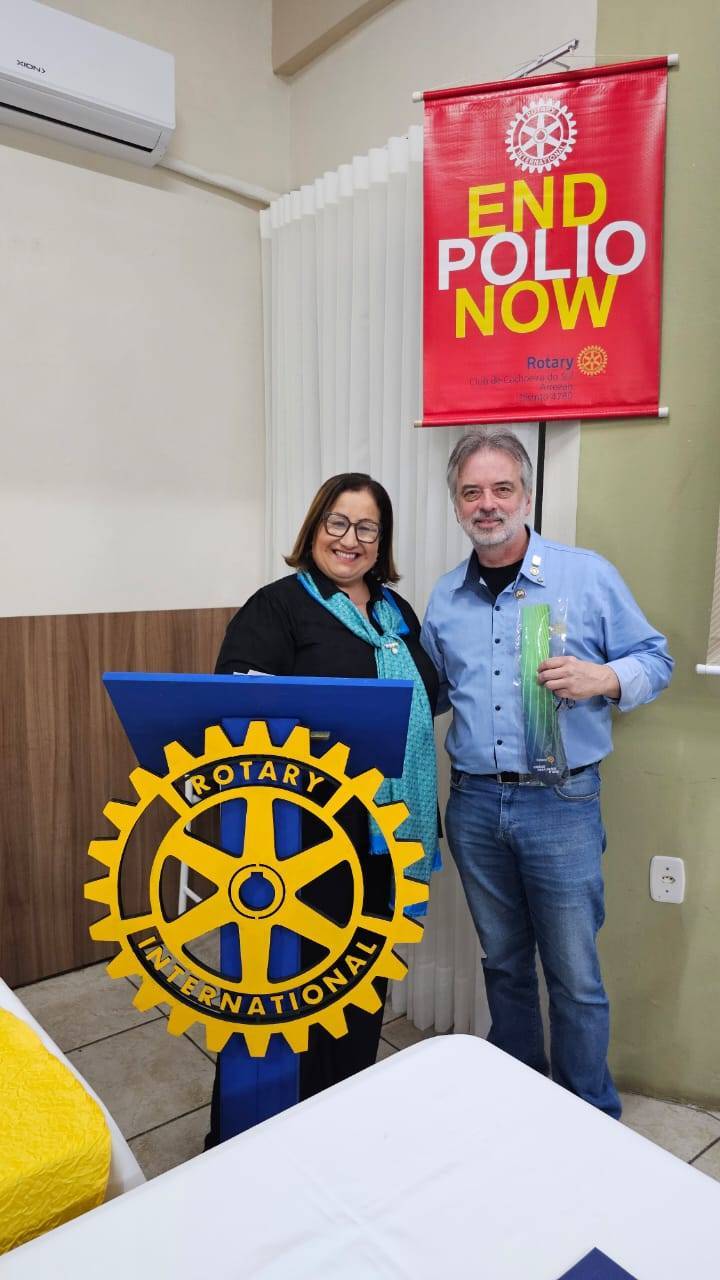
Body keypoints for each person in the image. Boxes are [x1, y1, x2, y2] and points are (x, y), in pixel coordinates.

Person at [421, 428, 673, 1118]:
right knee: (503, 965)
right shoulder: (445, 599)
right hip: (474, 806)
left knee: (574, 975)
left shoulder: (585, 576)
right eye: (471, 492)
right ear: (456, 504)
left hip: (561, 803)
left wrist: (604, 679)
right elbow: (434, 694)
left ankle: (590, 1115)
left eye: (502, 488)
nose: (487, 504)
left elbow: (657, 659)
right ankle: (519, 1105)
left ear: (526, 497)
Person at [207, 472, 439, 1143]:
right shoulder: (278, 607)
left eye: (367, 528)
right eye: (337, 522)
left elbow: (424, 703)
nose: (350, 539)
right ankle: (263, 1134)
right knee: (290, 984)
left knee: (360, 982)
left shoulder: (395, 614)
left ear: (382, 542)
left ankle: (341, 1127)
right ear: (313, 528)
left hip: (385, 834)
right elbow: (236, 702)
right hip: (303, 839)